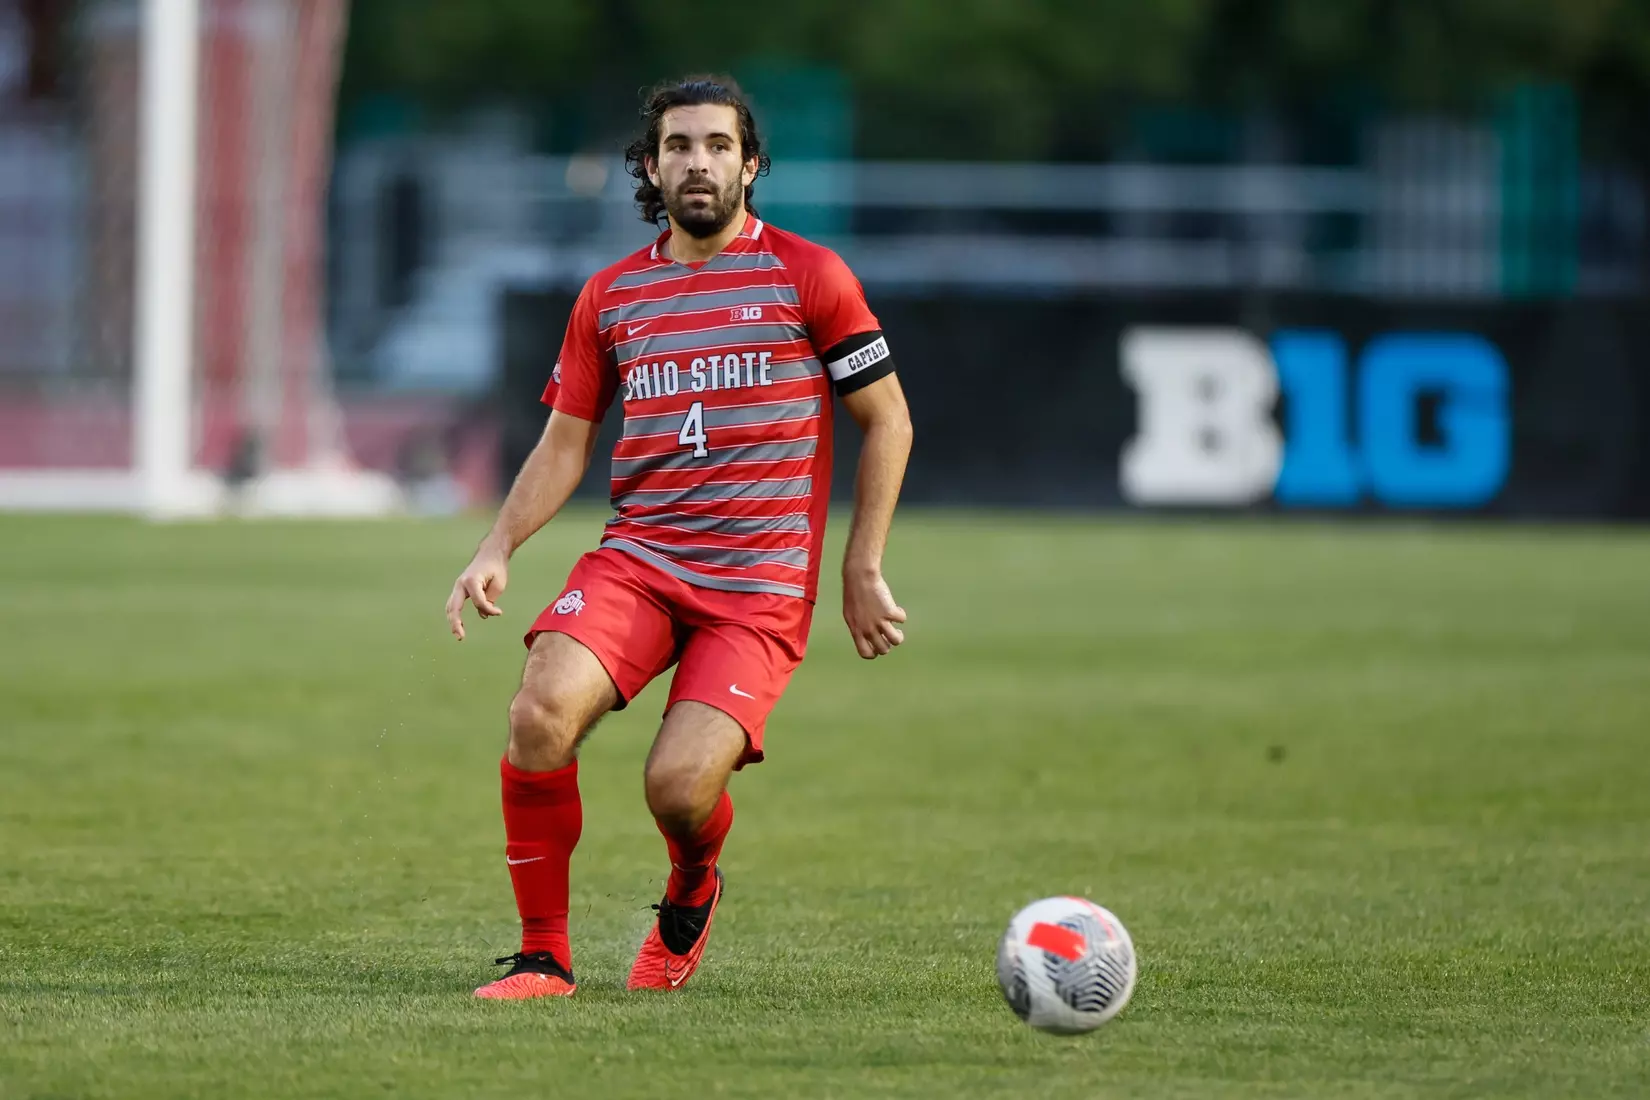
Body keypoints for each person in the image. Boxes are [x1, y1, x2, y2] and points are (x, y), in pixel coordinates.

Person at [445, 75, 913, 999]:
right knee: (538, 713)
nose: (698, 162)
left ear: (750, 163)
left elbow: (889, 419)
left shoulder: (810, 276)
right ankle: (544, 956)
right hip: (642, 562)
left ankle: (693, 885)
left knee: (677, 789)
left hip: (759, 586)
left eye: (717, 145)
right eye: (678, 147)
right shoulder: (612, 297)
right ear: (650, 167)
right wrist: (497, 544)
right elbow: (565, 441)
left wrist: (862, 566)